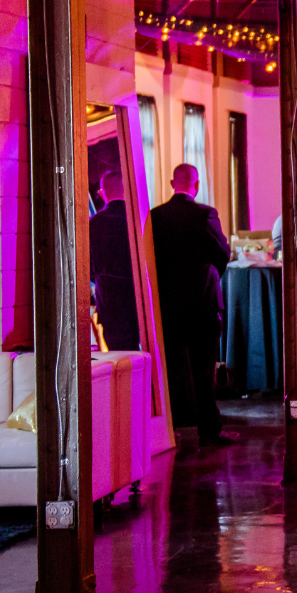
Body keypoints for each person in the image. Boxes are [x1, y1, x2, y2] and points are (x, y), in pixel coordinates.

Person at [150, 163, 233, 446]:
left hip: (168, 305)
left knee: (172, 368)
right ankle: (209, 429)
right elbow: (222, 252)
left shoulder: (155, 216)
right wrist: (209, 277)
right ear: (196, 186)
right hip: (202, 303)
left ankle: (173, 427)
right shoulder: (205, 214)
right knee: (203, 367)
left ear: (172, 183)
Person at [89, 169, 142, 352]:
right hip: (138, 297)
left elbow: (87, 267)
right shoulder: (138, 220)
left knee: (117, 355)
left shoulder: (94, 223)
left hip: (109, 300)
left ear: (103, 194)